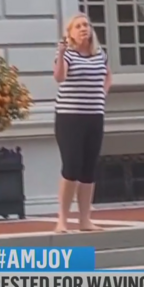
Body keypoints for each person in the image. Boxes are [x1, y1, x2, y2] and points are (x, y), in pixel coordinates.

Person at [53, 13, 112, 233]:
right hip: (69, 117)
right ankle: (62, 219)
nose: (83, 28)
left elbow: (108, 76)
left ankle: (85, 219)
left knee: (89, 169)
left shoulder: (100, 54)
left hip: (94, 116)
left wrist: (102, 93)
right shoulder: (67, 54)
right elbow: (59, 77)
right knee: (71, 167)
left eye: (86, 24)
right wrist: (61, 53)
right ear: (70, 33)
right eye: (77, 26)